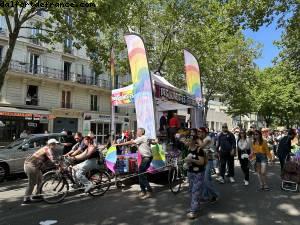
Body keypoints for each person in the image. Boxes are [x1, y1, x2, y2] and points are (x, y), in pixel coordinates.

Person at [115, 128, 153, 199]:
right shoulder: (143, 138)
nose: (136, 132)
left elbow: (130, 143)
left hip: (146, 158)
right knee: (141, 173)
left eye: (138, 131)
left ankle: (149, 191)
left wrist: (118, 144)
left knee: (141, 173)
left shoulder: (142, 137)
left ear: (141, 132)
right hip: (146, 157)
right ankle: (143, 191)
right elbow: (135, 144)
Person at [23, 139, 60, 205]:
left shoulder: (46, 148)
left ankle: (37, 195)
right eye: (55, 144)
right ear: (51, 144)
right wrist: (58, 164)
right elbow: (52, 159)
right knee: (32, 183)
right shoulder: (47, 149)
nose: (56, 145)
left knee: (40, 180)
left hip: (35, 166)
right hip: (31, 166)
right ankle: (26, 199)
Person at [182, 128, 206, 219]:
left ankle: (193, 211)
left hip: (198, 173)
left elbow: (201, 162)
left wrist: (191, 160)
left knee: (195, 191)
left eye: (189, 139)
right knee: (192, 190)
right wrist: (186, 163)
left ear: (194, 140)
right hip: (190, 172)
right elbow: (189, 161)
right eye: (187, 139)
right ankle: (195, 206)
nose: (187, 141)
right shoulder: (189, 149)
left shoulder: (199, 149)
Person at [198, 127, 219, 203]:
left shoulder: (208, 138)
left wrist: (197, 139)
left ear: (204, 132)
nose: (198, 133)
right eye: (198, 132)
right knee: (206, 180)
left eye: (200, 132)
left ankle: (215, 195)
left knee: (206, 180)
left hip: (208, 161)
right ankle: (205, 196)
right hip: (202, 161)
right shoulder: (202, 139)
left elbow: (201, 146)